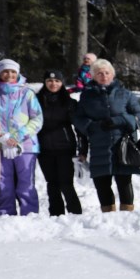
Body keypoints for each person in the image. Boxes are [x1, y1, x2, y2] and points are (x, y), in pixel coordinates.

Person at [74, 58, 140, 211]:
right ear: (93, 76)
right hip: (99, 145)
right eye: (99, 73)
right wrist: (92, 126)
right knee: (102, 183)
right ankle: (108, 217)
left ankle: (127, 215)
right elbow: (78, 118)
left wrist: (119, 120)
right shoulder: (87, 96)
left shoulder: (125, 94)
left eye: (107, 73)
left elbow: (138, 117)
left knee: (124, 182)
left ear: (112, 74)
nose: (104, 76)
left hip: (122, 145)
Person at [0, 59, 44, 216]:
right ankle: (5, 214)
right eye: (5, 71)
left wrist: (17, 137)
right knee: (3, 183)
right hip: (0, 146)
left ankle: (30, 214)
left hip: (26, 146)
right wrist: (3, 138)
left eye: (12, 72)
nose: (9, 75)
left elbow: (37, 119)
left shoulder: (27, 93)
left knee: (26, 183)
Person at [35, 69, 83, 215]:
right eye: (49, 81)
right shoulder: (36, 101)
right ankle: (56, 215)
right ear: (45, 82)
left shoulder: (69, 102)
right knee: (52, 184)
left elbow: (80, 128)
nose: (53, 83)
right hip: (44, 149)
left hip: (65, 148)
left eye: (57, 81)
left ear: (62, 83)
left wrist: (83, 149)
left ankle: (75, 214)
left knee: (66, 183)